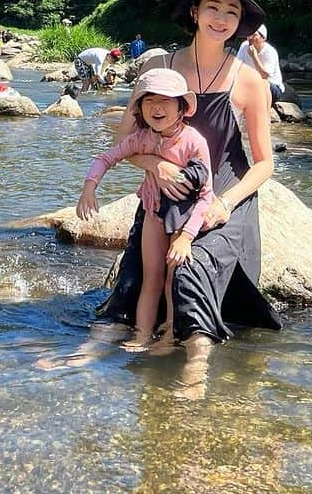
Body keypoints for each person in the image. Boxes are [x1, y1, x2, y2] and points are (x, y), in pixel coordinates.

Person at [96, 0, 281, 348]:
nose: (221, 18)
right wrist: (154, 165)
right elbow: (124, 141)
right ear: (195, 12)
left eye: (232, 11)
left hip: (224, 197)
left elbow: (264, 164)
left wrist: (225, 203)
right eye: (213, 6)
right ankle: (89, 354)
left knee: (189, 274)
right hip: (164, 197)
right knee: (130, 288)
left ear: (240, 22)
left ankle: (193, 376)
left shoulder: (250, 82)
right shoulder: (157, 68)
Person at [77, 69, 214, 351]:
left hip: (182, 219)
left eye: (166, 101)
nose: (157, 107)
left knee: (172, 281)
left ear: (182, 107)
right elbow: (106, 157)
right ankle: (141, 334)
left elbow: (206, 195)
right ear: (140, 108)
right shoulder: (141, 139)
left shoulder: (194, 141)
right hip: (153, 214)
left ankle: (167, 337)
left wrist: (187, 236)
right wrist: (89, 188)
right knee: (151, 278)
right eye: (149, 101)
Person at [237, 23, 283, 104]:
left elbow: (264, 76)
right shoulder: (244, 46)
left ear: (263, 38)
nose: (250, 38)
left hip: (272, 87)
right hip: (250, 85)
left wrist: (254, 56)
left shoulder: (270, 51)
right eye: (249, 35)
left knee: (262, 83)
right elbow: (237, 67)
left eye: (254, 35)